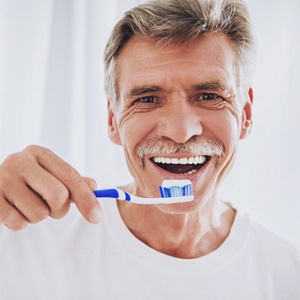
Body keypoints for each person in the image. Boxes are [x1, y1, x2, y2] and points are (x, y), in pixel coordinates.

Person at [0, 0, 299, 299]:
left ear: (245, 114)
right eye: (147, 99)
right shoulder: (26, 240)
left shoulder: (287, 276)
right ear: (112, 120)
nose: (180, 131)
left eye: (208, 95)